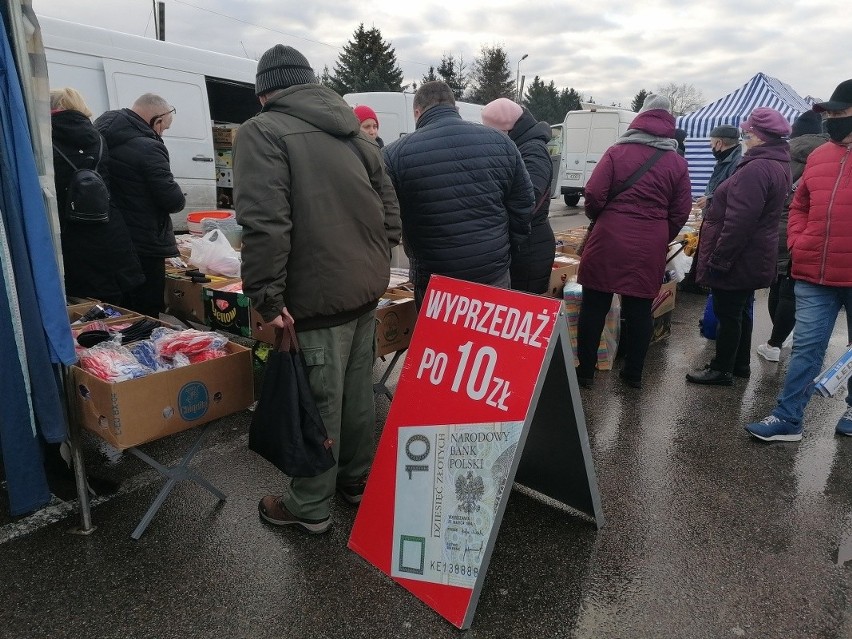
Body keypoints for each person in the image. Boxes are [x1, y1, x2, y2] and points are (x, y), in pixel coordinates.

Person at [233, 44, 401, 533]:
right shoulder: (354, 132)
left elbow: (265, 224)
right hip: (362, 289)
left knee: (320, 403)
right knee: (355, 395)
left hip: (316, 297)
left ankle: (310, 506)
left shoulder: (262, 131)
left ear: (265, 92)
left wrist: (267, 297)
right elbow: (390, 209)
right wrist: (372, 256)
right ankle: (355, 480)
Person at [746, 79, 852, 442]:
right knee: (806, 348)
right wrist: (797, 240)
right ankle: (787, 418)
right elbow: (800, 204)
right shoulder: (820, 155)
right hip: (813, 273)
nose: (832, 119)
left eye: (840, 112)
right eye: (830, 113)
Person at [576, 94, 692, 389]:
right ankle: (633, 375)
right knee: (640, 310)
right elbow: (681, 210)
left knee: (594, 306)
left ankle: (585, 373)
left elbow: (593, 194)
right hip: (649, 242)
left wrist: (602, 217)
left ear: (641, 116)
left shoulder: (616, 152)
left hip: (608, 236)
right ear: (669, 121)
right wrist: (660, 234)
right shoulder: (676, 162)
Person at [383, 81, 533, 308]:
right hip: (493, 274)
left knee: (440, 342)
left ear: (417, 112)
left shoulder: (394, 155)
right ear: (456, 109)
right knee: (491, 341)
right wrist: (505, 248)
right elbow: (523, 204)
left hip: (436, 280)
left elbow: (386, 217)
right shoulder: (502, 142)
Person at [686, 107, 792, 386]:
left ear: (758, 136)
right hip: (754, 251)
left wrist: (720, 259)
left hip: (740, 254)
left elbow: (740, 220)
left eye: (748, 132)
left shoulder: (756, 167)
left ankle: (722, 369)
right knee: (740, 310)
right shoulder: (777, 163)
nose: (745, 136)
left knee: (728, 313)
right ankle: (739, 365)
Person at [50, 87, 143, 305]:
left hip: (70, 229)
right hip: (107, 225)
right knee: (112, 304)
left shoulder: (42, 138)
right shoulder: (97, 137)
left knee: (79, 305)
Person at [95, 93, 185, 318]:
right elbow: (173, 200)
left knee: (122, 312)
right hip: (145, 244)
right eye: (163, 129)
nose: (162, 134)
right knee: (146, 311)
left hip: (113, 239)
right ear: (156, 120)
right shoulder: (149, 148)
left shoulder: (100, 137)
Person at [756, 110, 828, 363]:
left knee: (779, 284)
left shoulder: (785, 153)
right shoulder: (831, 155)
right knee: (797, 288)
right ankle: (784, 338)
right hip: (815, 228)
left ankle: (775, 342)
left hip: (780, 224)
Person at [481, 97, 556, 294]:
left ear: (506, 130)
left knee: (524, 309)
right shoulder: (519, 147)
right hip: (521, 244)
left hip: (531, 247)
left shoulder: (533, 151)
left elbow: (529, 199)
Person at [679, 124, 743, 294]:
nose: (711, 147)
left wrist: (710, 198)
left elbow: (733, 192)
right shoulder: (728, 159)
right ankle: (695, 282)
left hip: (720, 219)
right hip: (714, 216)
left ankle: (703, 284)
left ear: (719, 143)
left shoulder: (737, 162)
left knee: (711, 252)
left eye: (711, 143)